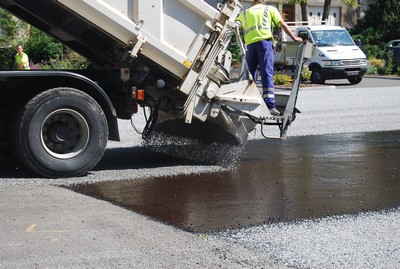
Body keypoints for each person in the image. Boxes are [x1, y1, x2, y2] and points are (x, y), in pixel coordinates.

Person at [236, 0, 302, 115]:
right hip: (264, 44)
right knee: (266, 72)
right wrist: (294, 37)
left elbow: (235, 25)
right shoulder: (269, 9)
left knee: (250, 74)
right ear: (264, 1)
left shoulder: (245, 13)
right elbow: (283, 24)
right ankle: (269, 105)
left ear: (253, 2)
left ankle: (249, 101)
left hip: (250, 45)